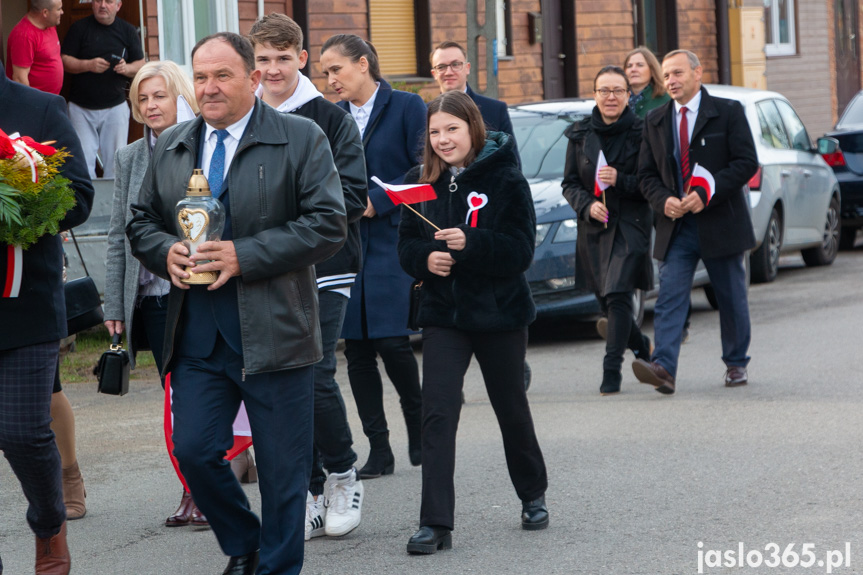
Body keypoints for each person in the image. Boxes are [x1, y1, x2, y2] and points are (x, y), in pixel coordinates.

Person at [126, 32, 346, 575]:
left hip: (276, 333)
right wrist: (165, 252)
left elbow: (329, 224)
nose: (209, 87)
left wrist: (245, 255)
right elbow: (141, 222)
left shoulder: (301, 137)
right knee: (195, 451)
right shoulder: (176, 143)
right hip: (197, 335)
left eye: (222, 75)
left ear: (252, 79)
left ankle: (274, 568)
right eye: (200, 77)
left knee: (281, 474)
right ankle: (245, 540)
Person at [397, 91, 548, 554]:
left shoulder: (506, 178)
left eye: (452, 130)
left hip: (500, 315)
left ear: (473, 130)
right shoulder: (417, 181)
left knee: (510, 408)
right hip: (444, 316)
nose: (443, 140)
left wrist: (471, 243)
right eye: (435, 132)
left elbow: (520, 251)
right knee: (437, 413)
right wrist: (428, 260)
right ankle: (435, 523)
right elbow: (405, 249)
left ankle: (532, 493)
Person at [249, 13, 368, 540]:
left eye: (282, 58)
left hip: (326, 266)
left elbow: (351, 198)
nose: (273, 69)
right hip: (263, 267)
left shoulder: (331, 118)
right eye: (263, 60)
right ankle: (306, 489)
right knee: (276, 381)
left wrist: (275, 223)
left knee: (315, 374)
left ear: (301, 58)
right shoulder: (244, 117)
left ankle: (342, 474)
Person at [102, 60, 212, 528]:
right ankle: (196, 484)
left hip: (196, 290)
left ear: (179, 96)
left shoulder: (202, 143)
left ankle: (201, 488)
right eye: (142, 99)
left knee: (192, 394)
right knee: (174, 396)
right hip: (148, 297)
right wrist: (114, 305)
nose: (150, 106)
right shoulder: (129, 157)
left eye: (159, 96)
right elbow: (115, 234)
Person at [0, 61, 94, 575]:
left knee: (20, 432)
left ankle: (48, 524)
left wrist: (17, 196)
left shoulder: (38, 107)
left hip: (24, 301)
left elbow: (79, 196)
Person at [320, 34, 424, 479]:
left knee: (392, 342)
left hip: (392, 239)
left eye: (335, 69)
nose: (329, 80)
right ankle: (378, 449)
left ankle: (422, 432)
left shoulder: (407, 105)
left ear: (363, 64)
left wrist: (377, 200)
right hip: (346, 244)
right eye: (324, 73)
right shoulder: (331, 117)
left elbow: (424, 171)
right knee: (357, 350)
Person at [634, 49, 758, 394]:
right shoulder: (655, 120)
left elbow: (746, 162)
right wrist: (664, 200)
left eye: (677, 73)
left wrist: (708, 193)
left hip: (720, 221)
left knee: (731, 296)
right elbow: (646, 175)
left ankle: (736, 363)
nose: (671, 81)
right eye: (667, 76)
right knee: (670, 296)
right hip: (677, 227)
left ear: (697, 73)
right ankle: (664, 368)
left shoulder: (728, 112)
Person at [561, 66, 653, 395]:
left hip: (631, 224)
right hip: (595, 226)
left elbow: (652, 184)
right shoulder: (580, 134)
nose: (610, 97)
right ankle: (641, 345)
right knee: (605, 300)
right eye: (604, 90)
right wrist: (587, 206)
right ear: (595, 94)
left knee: (617, 294)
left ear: (629, 96)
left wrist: (622, 181)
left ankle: (611, 369)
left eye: (618, 91)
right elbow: (570, 184)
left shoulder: (644, 132)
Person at [61, 0, 145, 178]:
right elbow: (64, 60)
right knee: (82, 163)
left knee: (116, 163)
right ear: (92, 4)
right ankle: (89, 205)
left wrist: (127, 68)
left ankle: (112, 205)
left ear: (118, 5)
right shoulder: (79, 28)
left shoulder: (127, 30)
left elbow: (141, 63)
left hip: (115, 107)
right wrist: (87, 65)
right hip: (81, 108)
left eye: (108, 1)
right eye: (98, 0)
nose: (103, 5)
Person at [430, 41, 519, 161]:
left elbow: (512, 162)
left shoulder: (495, 110)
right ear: (434, 73)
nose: (449, 72)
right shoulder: (425, 112)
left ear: (467, 68)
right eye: (441, 67)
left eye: (455, 64)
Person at [5, 0, 64, 94]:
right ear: (45, 13)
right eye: (59, 9)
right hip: (36, 103)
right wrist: (31, 105)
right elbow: (20, 79)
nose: (62, 12)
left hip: (50, 100)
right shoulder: (24, 36)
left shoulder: (50, 24)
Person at [623, 46, 670, 119]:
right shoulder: (618, 98)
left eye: (640, 65)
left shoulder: (665, 101)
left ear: (652, 70)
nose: (633, 69)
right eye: (629, 66)